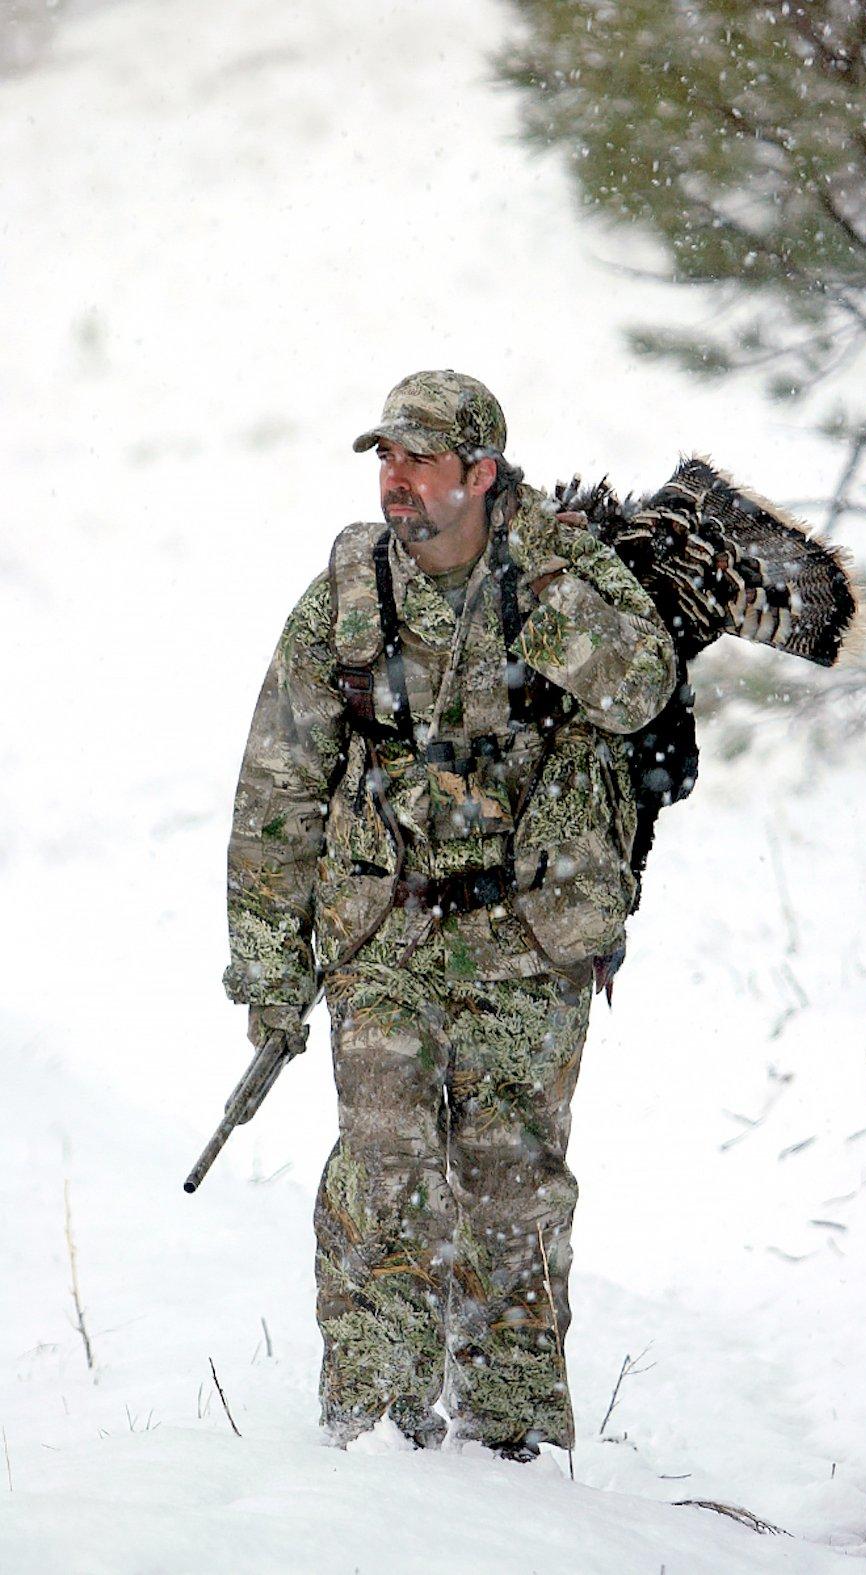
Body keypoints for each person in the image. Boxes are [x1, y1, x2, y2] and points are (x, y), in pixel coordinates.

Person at [223, 370, 676, 1461]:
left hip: (529, 941)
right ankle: (373, 1434)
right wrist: (271, 969)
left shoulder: (563, 569)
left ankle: (513, 1448)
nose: (396, 480)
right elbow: (276, 790)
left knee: (511, 1191)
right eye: (385, 458)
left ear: (481, 471)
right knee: (384, 1175)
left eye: (420, 459)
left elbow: (640, 687)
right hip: (389, 936)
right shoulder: (345, 598)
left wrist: (542, 593)